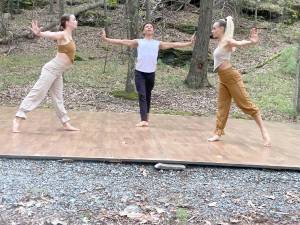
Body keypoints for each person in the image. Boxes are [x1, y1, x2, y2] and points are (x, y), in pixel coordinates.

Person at [100, 23, 195, 127]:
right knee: (142, 94)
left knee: (148, 95)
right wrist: (106, 39)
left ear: (153, 31)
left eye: (151, 27)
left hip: (151, 74)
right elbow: (122, 42)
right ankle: (144, 119)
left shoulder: (158, 43)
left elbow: (174, 44)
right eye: (147, 27)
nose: (149, 28)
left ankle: (146, 117)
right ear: (143, 31)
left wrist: (189, 43)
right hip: (139, 73)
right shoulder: (138, 42)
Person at [208, 16, 271, 147]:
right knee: (222, 106)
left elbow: (238, 43)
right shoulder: (221, 42)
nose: (212, 30)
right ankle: (218, 133)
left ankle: (264, 133)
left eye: (214, 28)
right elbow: (232, 43)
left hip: (231, 77)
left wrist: (252, 41)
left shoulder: (227, 41)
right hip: (223, 78)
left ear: (221, 29)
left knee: (246, 105)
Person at [12, 14, 80, 133]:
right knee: (38, 93)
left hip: (58, 72)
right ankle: (18, 118)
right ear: (67, 23)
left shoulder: (69, 35)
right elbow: (52, 34)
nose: (76, 21)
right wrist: (40, 33)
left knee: (58, 98)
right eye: (74, 19)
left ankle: (65, 123)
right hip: (51, 70)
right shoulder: (62, 34)